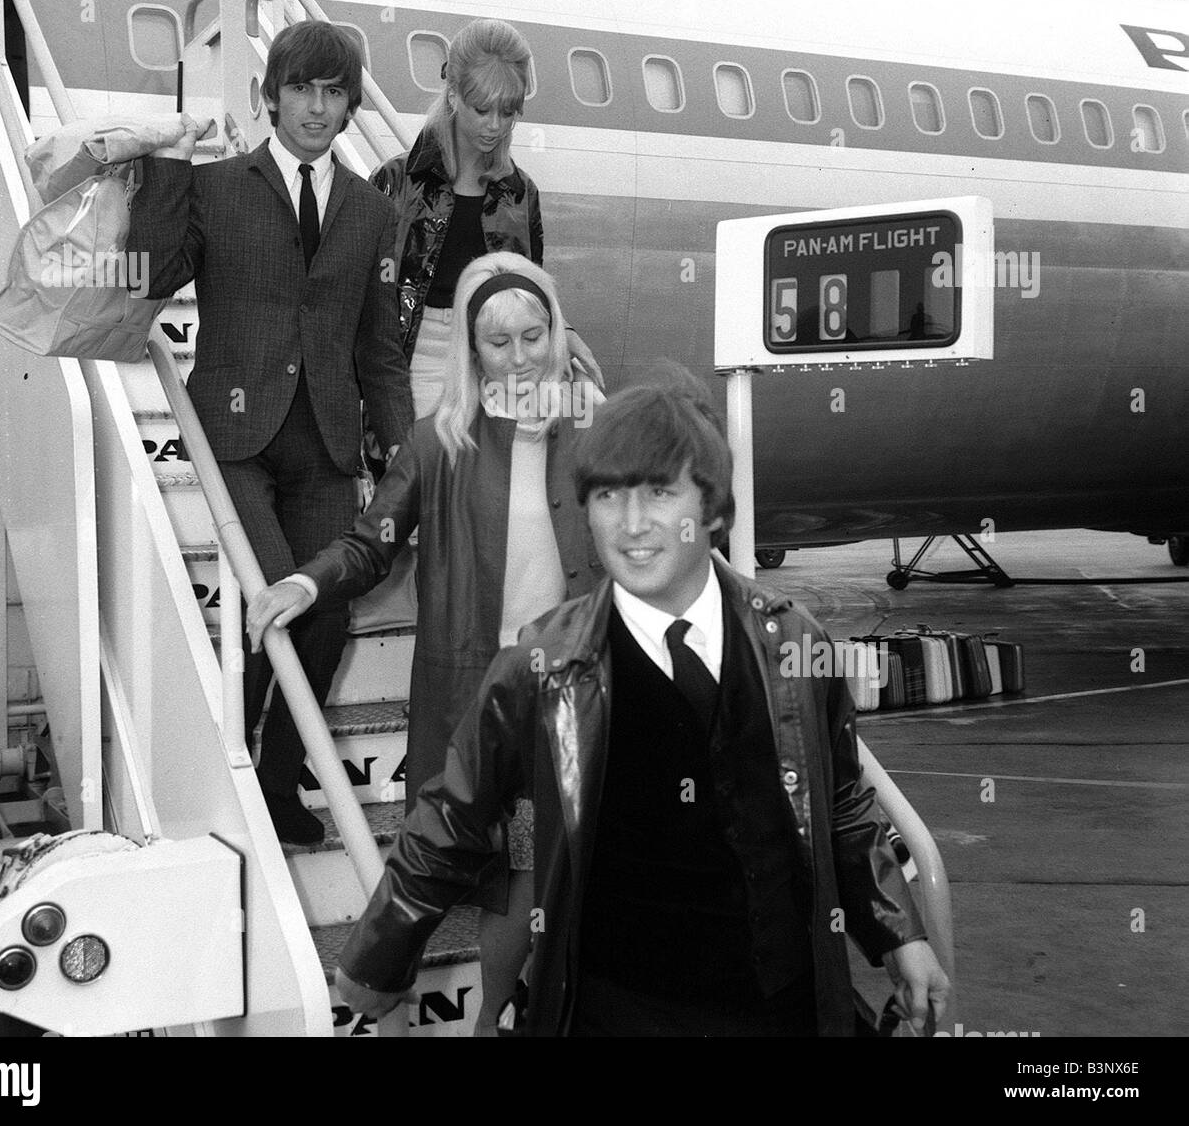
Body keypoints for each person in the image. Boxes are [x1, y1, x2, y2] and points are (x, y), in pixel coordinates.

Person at [327, 366, 951, 1036]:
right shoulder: (542, 664)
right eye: (607, 495)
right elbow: (450, 820)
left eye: (659, 492)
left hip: (781, 1003)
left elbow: (843, 805)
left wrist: (899, 931)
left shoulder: (795, 642)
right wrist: (375, 960)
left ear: (711, 508)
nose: (631, 524)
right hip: (614, 1008)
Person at [246, 252, 602, 1033]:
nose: (518, 356)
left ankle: (516, 1016)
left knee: (555, 868)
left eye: (533, 335)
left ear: (557, 333)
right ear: (473, 353)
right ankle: (468, 1016)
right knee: (497, 872)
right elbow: (372, 541)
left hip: (581, 687)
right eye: (497, 342)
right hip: (488, 696)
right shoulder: (443, 442)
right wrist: (305, 583)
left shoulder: (600, 431)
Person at [126, 20, 412, 846]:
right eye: (301, 90)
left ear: (351, 105)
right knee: (279, 597)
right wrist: (170, 165)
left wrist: (408, 456)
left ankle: (278, 780)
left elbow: (379, 354)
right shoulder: (217, 188)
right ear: (269, 96)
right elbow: (148, 274)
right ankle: (233, 776)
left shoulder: (368, 209)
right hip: (237, 438)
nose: (317, 109)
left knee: (328, 611)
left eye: (333, 94)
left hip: (324, 442)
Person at [371, 17, 603, 416]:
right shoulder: (396, 180)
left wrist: (562, 331)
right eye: (482, 109)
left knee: (536, 448)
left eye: (508, 111)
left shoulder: (520, 192)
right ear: (452, 94)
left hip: (501, 362)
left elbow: (529, 289)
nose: (494, 126)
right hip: (417, 358)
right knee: (433, 470)